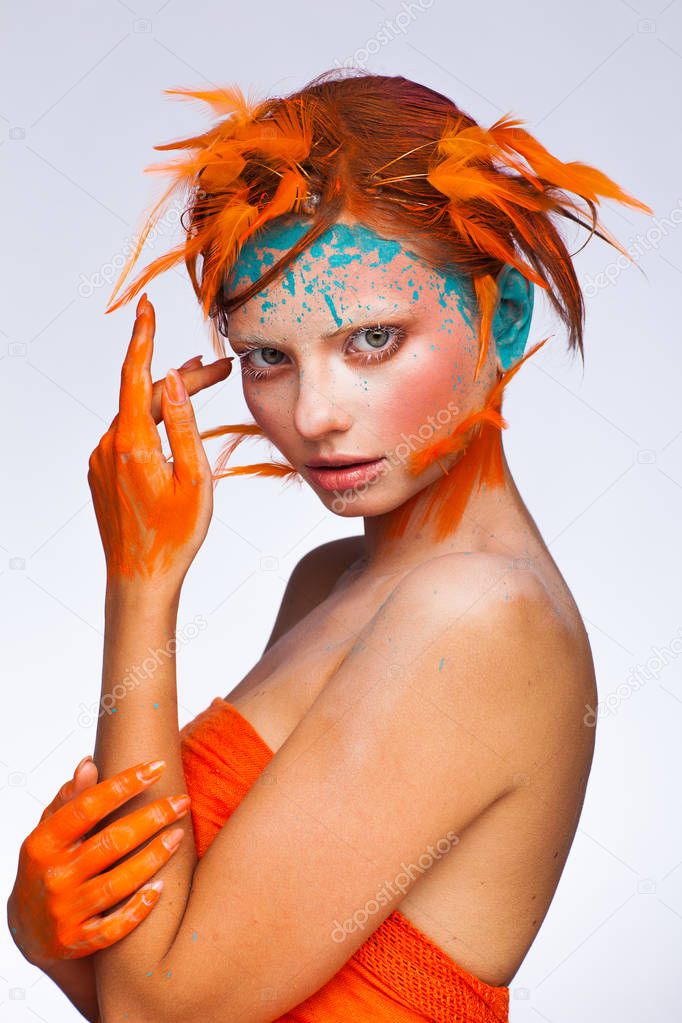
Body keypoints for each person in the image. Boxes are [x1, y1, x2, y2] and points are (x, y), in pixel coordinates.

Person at [7, 68, 652, 1022]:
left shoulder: (480, 617)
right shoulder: (330, 580)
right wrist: (50, 934)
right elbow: (150, 988)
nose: (313, 416)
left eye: (373, 340)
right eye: (269, 357)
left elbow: (157, 1014)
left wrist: (142, 582)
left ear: (502, 318)